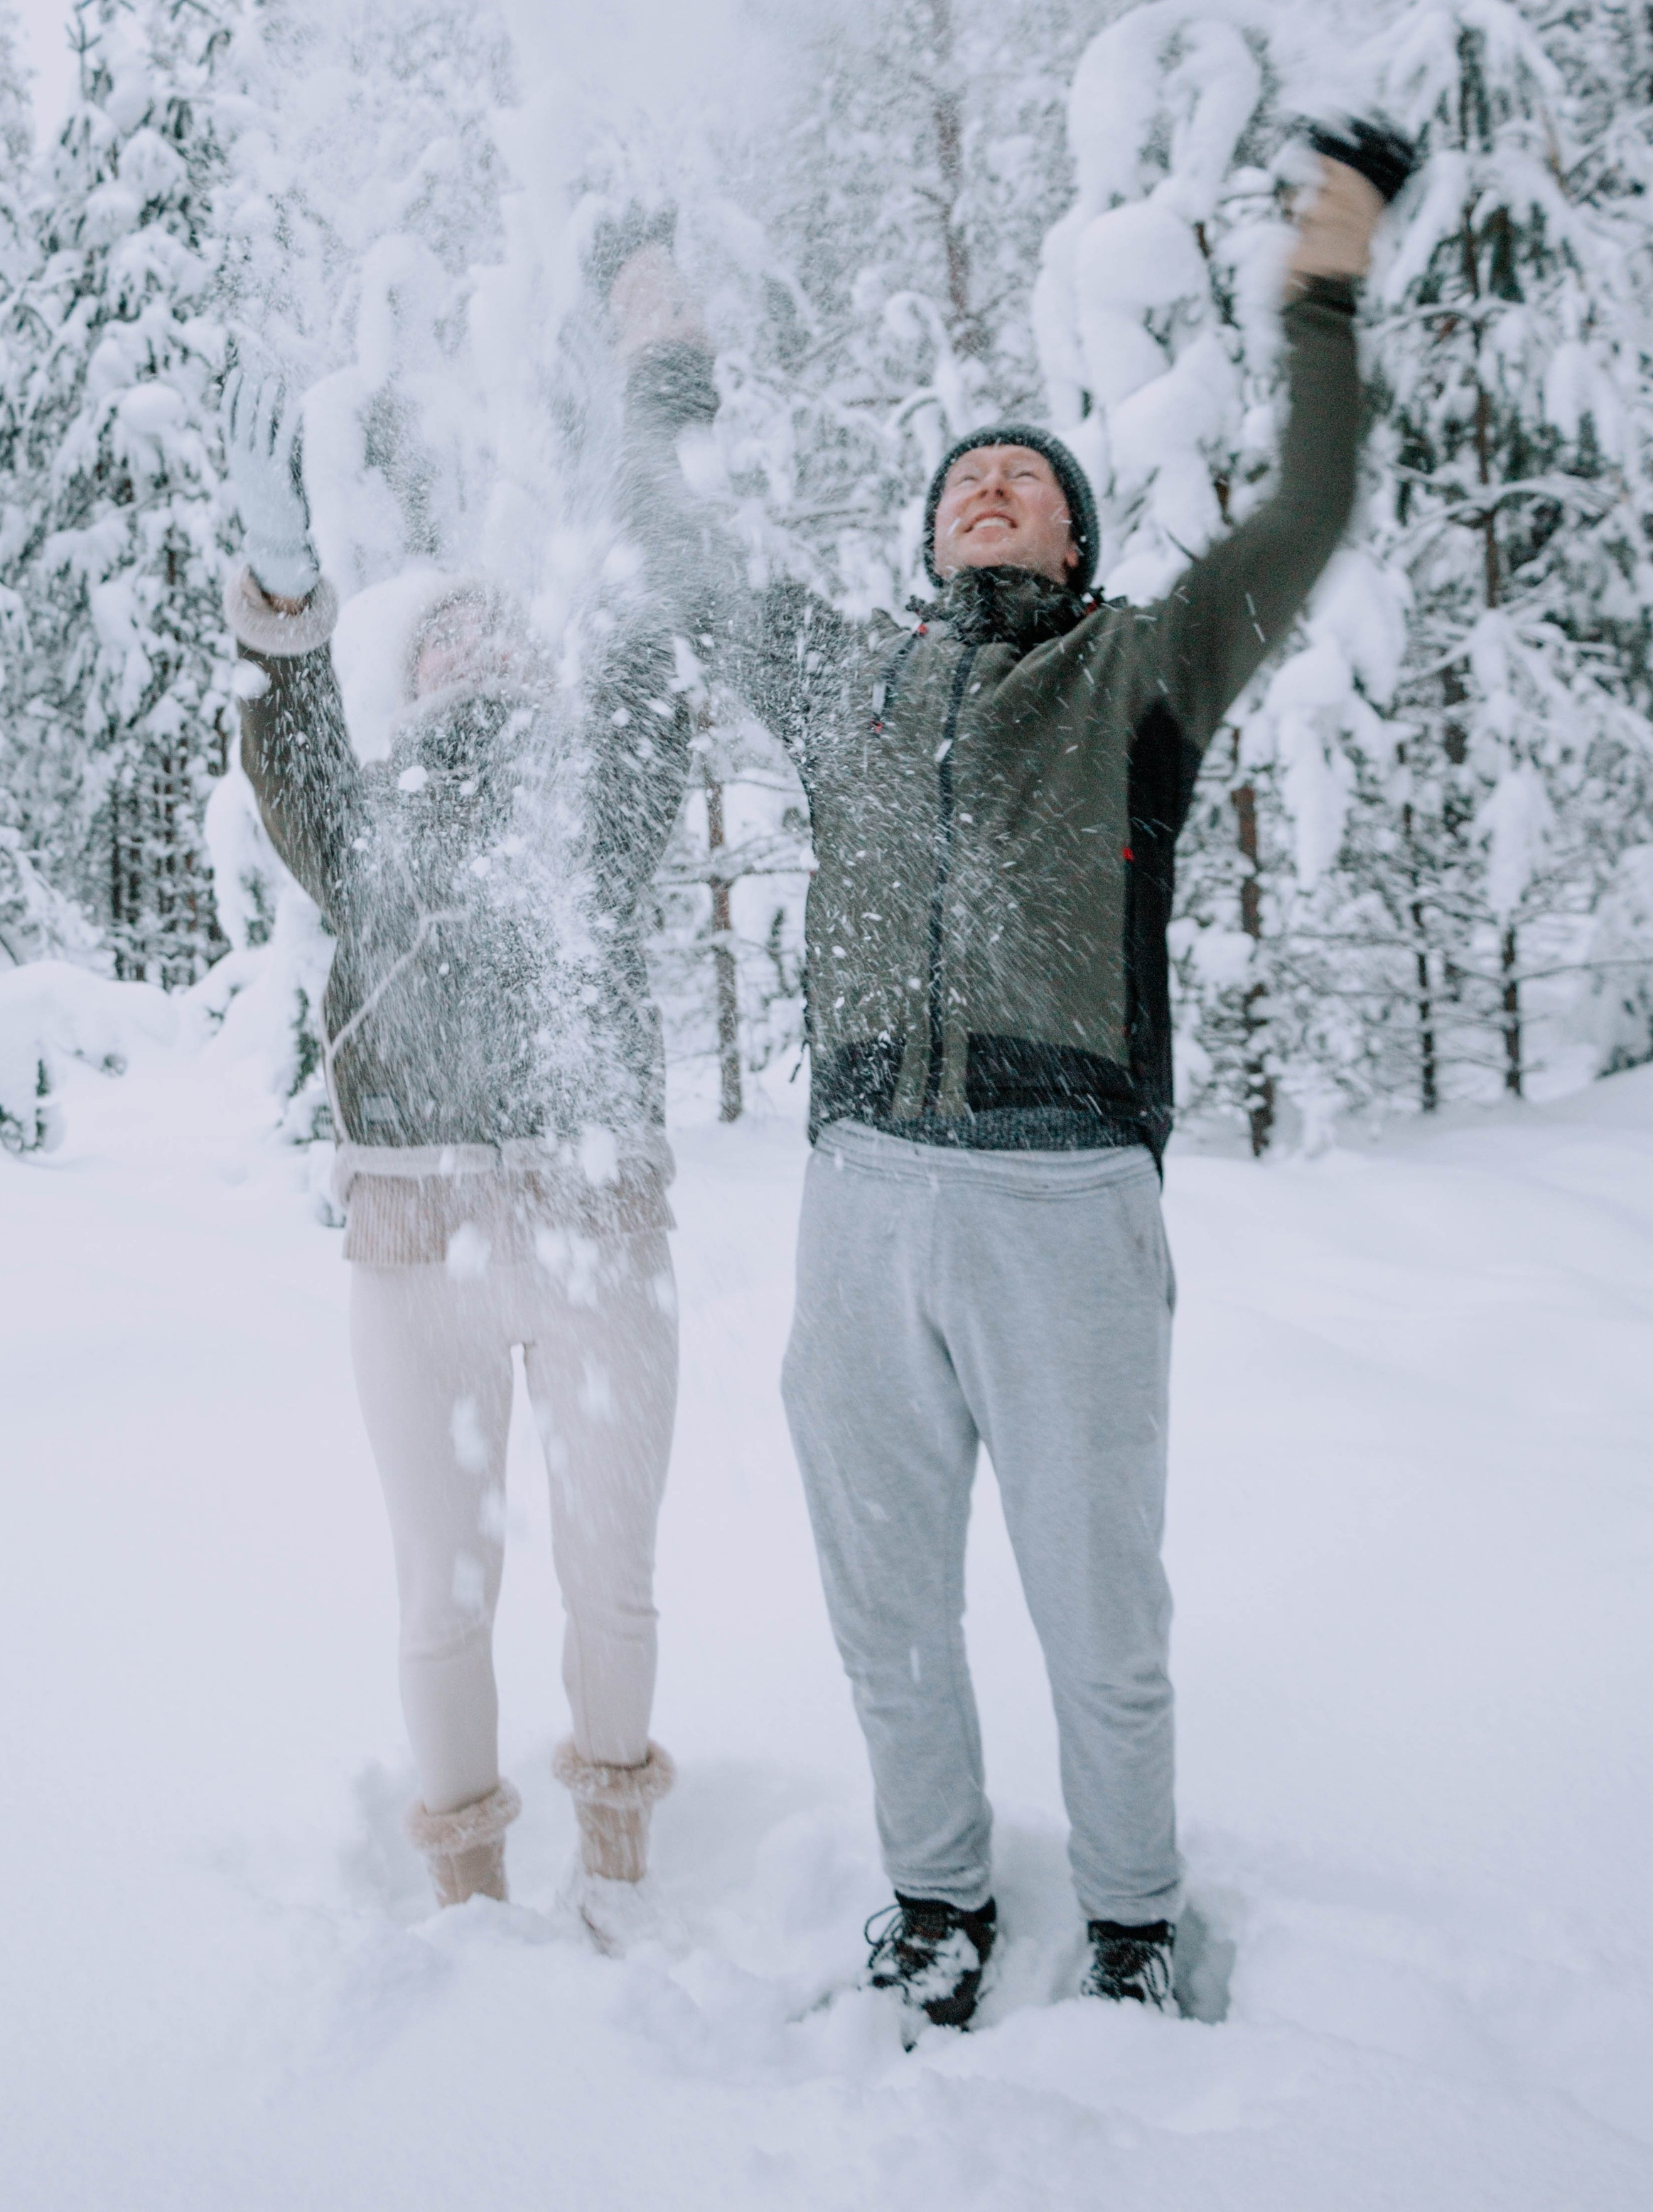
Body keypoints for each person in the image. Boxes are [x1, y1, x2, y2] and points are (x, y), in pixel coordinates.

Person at [630, 124, 1409, 2026]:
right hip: (859, 1196)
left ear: (1074, 540)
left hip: (1064, 1200)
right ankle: (938, 1902)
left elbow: (1307, 511)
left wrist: (1319, 294)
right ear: (930, 539)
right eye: (966, 481)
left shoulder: (1140, 673)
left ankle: (1136, 1919)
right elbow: (673, 538)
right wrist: (656, 361)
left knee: (1098, 1615)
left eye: (1025, 481)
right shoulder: (849, 686)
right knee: (886, 1605)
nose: (991, 488)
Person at [218, 234, 715, 1931]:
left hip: (598, 1235)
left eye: (496, 624)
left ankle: (623, 1867)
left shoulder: (602, 802)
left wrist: (645, 403)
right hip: (410, 1255)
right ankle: (466, 1891)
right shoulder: (359, 827)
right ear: (403, 679)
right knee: (440, 1592)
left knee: (609, 1576)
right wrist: (275, 588)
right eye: (435, 637)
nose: (467, 644)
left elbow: (656, 622)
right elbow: (282, 729)